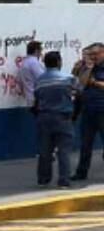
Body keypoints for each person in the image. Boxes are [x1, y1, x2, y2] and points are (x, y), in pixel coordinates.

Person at [33, 51, 76, 189]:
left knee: (45, 150)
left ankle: (43, 179)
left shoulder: (39, 80)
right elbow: (79, 89)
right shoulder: (68, 78)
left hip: (44, 117)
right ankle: (63, 181)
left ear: (45, 63)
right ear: (58, 62)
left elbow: (37, 96)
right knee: (64, 150)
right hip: (63, 117)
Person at [74, 42, 104, 180]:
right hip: (88, 110)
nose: (93, 57)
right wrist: (85, 69)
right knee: (85, 144)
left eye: (96, 54)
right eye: (91, 54)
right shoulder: (88, 67)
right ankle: (81, 172)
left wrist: (95, 83)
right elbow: (81, 83)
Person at [18, 40, 44, 109]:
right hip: (38, 99)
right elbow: (43, 79)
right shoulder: (34, 63)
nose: (41, 53)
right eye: (40, 50)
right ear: (36, 51)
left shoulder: (24, 63)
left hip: (30, 97)